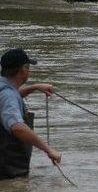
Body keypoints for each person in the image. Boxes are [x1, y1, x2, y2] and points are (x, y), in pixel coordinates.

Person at [1, 49, 61, 179]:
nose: (29, 71)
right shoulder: (8, 95)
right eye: (28, 68)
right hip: (7, 172)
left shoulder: (4, 87)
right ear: (23, 69)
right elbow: (17, 127)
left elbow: (12, 96)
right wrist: (48, 149)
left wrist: (35, 87)